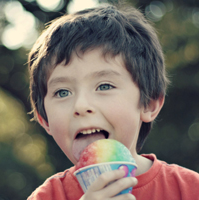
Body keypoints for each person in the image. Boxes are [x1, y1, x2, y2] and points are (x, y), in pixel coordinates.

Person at [27, 2, 199, 200]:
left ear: (149, 103)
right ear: (45, 119)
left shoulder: (189, 190)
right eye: (63, 92)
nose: (81, 106)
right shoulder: (47, 196)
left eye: (104, 86)